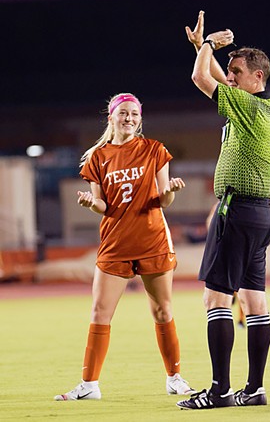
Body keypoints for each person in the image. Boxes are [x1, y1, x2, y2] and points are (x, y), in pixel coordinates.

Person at [54, 92, 194, 401]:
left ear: (140, 119)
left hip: (152, 239)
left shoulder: (154, 150)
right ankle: (89, 385)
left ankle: (175, 378)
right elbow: (103, 205)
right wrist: (92, 203)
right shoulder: (98, 157)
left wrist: (170, 191)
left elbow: (163, 199)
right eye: (123, 113)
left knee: (162, 310)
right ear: (111, 117)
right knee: (100, 312)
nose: (129, 118)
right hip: (115, 243)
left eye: (134, 114)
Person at [177, 11, 270, 410]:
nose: (231, 77)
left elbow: (201, 79)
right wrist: (203, 50)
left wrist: (207, 47)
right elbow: (218, 80)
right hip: (260, 213)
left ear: (257, 77)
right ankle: (254, 388)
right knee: (254, 302)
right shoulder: (263, 108)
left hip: (236, 213)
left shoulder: (250, 108)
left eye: (238, 72)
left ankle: (219, 391)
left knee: (216, 300)